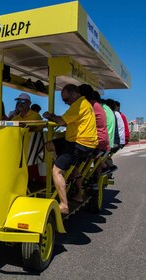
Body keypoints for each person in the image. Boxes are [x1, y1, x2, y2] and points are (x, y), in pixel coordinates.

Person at [43, 84, 98, 214]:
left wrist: (49, 115)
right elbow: (66, 120)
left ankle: (64, 205)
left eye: (66, 100)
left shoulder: (78, 105)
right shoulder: (84, 103)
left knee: (56, 171)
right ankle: (68, 170)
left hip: (79, 143)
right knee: (49, 145)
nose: (66, 103)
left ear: (74, 94)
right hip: (83, 142)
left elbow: (61, 121)